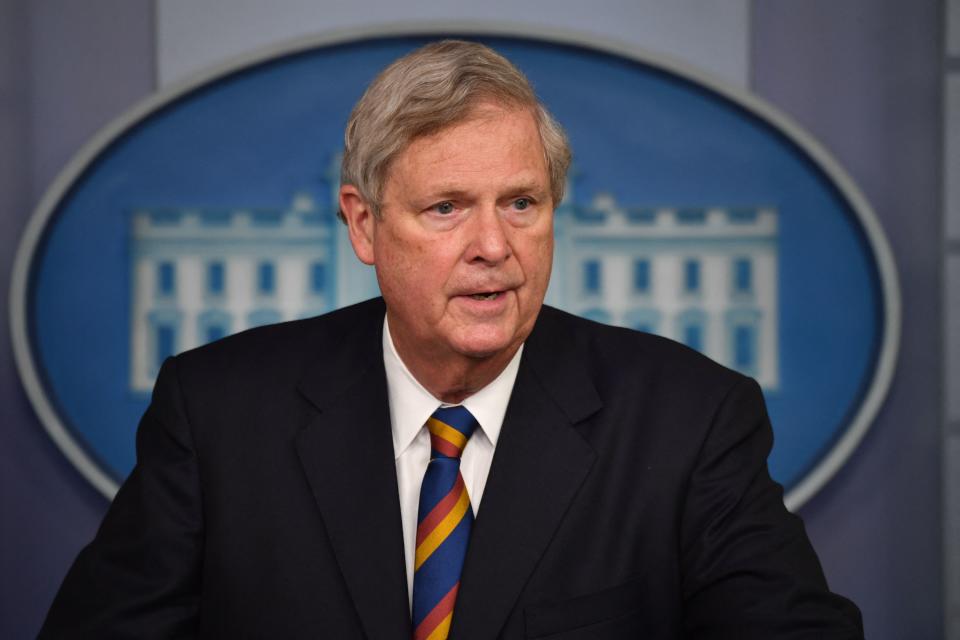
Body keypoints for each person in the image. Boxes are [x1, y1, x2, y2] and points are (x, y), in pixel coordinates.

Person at [40, 40, 864, 639]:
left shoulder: (689, 420)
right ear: (363, 225)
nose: (494, 246)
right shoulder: (219, 413)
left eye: (521, 203)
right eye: (446, 208)